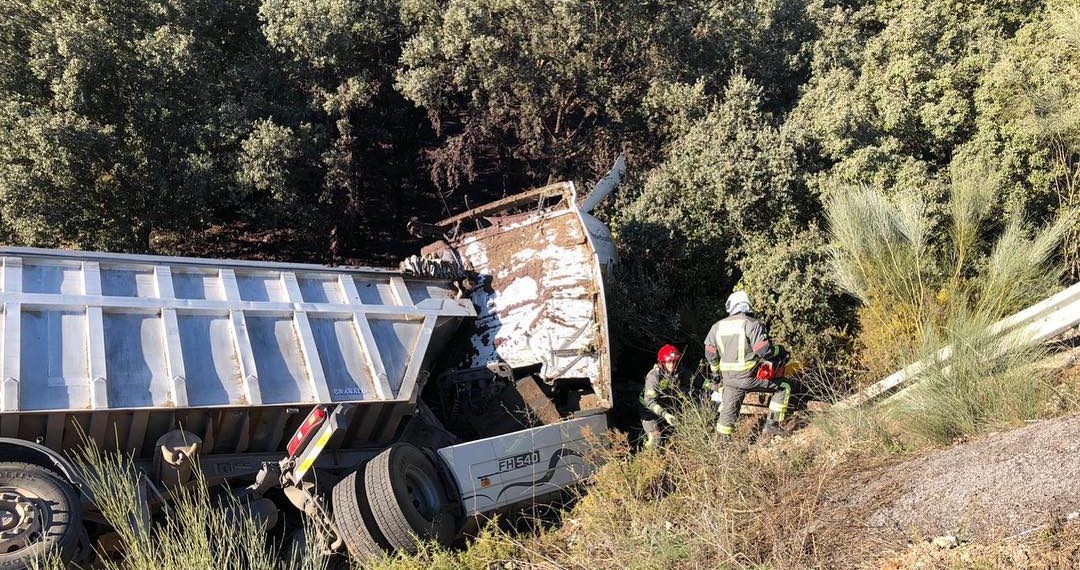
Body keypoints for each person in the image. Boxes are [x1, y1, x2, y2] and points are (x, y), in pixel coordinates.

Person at [704, 291, 793, 437]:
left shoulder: (716, 327)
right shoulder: (751, 323)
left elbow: (710, 353)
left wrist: (715, 373)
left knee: (727, 416)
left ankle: (721, 444)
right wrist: (779, 350)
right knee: (784, 386)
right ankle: (772, 425)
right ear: (747, 305)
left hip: (729, 380)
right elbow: (763, 350)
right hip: (748, 377)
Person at [639, 344, 693, 449]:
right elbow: (649, 402)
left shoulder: (679, 371)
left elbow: (698, 380)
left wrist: (716, 387)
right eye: (669, 362)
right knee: (655, 440)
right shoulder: (654, 376)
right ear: (662, 362)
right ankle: (648, 455)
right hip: (649, 409)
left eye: (674, 361)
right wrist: (665, 414)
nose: (671, 365)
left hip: (666, 405)